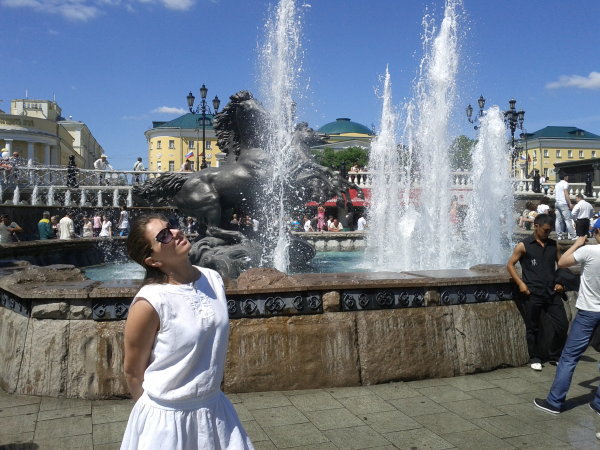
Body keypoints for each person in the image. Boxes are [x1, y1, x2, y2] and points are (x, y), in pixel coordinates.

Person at [121, 214, 254, 449]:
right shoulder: (149, 302)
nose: (175, 232)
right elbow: (133, 372)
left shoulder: (213, 279)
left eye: (171, 226)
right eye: (163, 236)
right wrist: (155, 417)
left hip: (214, 410)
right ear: (153, 261)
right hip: (166, 420)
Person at [533, 223, 600, 415]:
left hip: (588, 312)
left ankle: (554, 402)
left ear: (597, 232)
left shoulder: (589, 251)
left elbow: (561, 262)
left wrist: (577, 243)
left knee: (569, 358)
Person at [507, 214, 568, 371]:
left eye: (550, 231)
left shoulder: (554, 245)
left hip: (552, 292)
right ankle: (535, 357)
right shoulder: (524, 245)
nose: (548, 233)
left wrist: (560, 282)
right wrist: (520, 283)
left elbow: (561, 265)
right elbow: (510, 264)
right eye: (545, 230)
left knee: (562, 324)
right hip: (532, 293)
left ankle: (555, 355)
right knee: (533, 327)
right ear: (536, 226)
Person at [554, 174, 576, 240]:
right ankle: (573, 236)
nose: (568, 177)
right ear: (565, 177)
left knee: (558, 220)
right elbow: (566, 193)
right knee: (568, 220)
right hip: (563, 203)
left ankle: (559, 235)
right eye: (567, 176)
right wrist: (570, 203)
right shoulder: (565, 183)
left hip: (557, 203)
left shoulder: (557, 184)